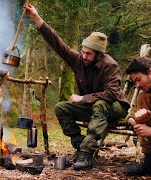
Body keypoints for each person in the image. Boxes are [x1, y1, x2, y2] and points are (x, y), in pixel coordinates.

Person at [25, 4, 130, 170]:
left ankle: (86, 155)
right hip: (94, 107)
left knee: (100, 104)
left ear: (99, 55)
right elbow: (58, 44)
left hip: (115, 107)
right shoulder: (79, 60)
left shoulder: (111, 66)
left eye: (88, 54)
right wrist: (36, 18)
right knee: (61, 108)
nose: (84, 56)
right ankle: (81, 146)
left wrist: (82, 98)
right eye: (83, 51)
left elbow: (111, 94)